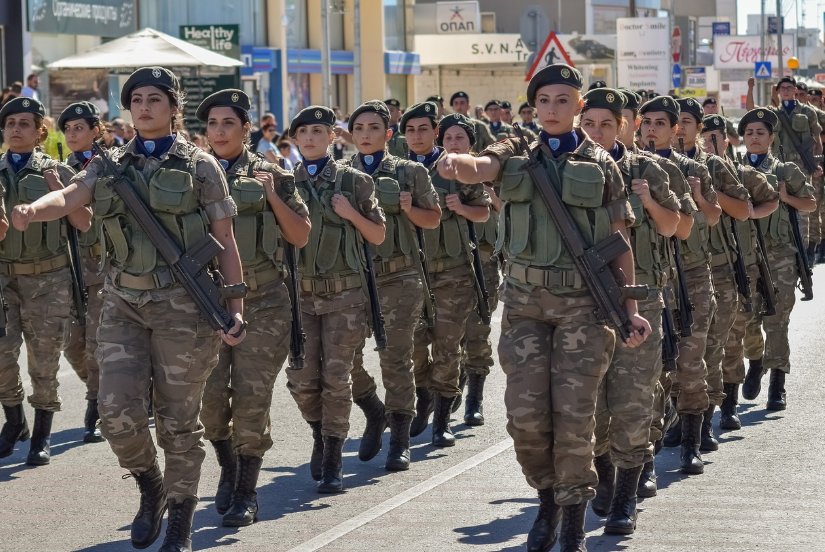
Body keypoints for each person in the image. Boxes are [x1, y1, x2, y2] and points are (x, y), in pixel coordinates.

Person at [11, 67, 247, 552]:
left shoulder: (202, 167)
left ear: (174, 107)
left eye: (155, 98)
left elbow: (224, 241)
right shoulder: (109, 163)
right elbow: (73, 195)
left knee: (179, 421)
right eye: (136, 98)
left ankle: (180, 516)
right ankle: (149, 485)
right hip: (123, 302)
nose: (144, 106)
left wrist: (234, 307)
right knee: (116, 412)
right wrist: (35, 210)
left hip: (184, 307)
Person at [438, 64, 649, 552]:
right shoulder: (512, 152)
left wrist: (630, 305)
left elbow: (618, 241)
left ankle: (572, 518)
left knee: (575, 416)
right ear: (533, 108)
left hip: (584, 306)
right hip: (524, 305)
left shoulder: (603, 165)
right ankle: (547, 499)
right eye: (544, 101)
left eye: (563, 100)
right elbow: (481, 168)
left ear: (579, 106)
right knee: (526, 418)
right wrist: (457, 162)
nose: (552, 109)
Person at [197, 89, 310, 526]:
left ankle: (246, 489)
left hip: (263, 301)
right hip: (206, 302)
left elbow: (299, 235)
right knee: (208, 402)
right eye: (212, 124)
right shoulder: (191, 175)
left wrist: (275, 196)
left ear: (247, 129)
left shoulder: (272, 173)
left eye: (229, 123)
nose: (219, 131)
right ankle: (227, 463)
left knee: (250, 399)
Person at [580, 88, 681, 535]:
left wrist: (650, 200)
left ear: (625, 125)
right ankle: (603, 470)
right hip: (582, 302)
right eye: (590, 124)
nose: (598, 133)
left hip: (641, 298)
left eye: (608, 124)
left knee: (633, 403)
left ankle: (625, 496)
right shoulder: (566, 170)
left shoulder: (646, 168)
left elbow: (675, 225)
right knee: (590, 408)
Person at [284, 105, 385, 494]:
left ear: (332, 137)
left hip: (345, 296)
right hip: (299, 297)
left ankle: (332, 457)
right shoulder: (283, 181)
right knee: (301, 380)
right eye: (303, 132)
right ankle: (320, 432)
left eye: (318, 131)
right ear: (294, 139)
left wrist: (350, 214)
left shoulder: (354, 182)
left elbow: (377, 235)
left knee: (335, 378)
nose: (310, 138)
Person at [346, 100, 441, 470]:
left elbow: (432, 219)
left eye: (373, 129)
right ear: (351, 135)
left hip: (399, 276)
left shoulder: (409, 172)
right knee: (344, 358)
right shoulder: (339, 173)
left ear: (387, 135)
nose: (365, 135)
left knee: (395, 357)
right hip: (354, 276)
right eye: (359, 129)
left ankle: (400, 439)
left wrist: (407, 209)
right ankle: (373, 408)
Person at [0, 97, 88, 466]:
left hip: (49, 280)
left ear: (40, 132)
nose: (15, 129)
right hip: (5, 278)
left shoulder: (56, 171)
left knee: (44, 360)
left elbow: (85, 222)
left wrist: (60, 191)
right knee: (2, 357)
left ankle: (41, 433)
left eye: (24, 123)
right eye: (10, 123)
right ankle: (15, 419)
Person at [616, 88, 694, 498]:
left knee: (642, 385)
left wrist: (647, 200)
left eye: (651, 122)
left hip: (648, 287)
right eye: (643, 121)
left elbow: (680, 228)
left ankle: (641, 462)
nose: (645, 129)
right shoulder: (582, 167)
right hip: (595, 292)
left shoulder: (657, 171)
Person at [640, 95, 723, 476]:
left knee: (690, 363)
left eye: (660, 123)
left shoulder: (692, 168)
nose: (652, 129)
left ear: (676, 129)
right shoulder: (632, 169)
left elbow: (712, 217)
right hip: (654, 279)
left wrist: (695, 194)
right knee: (652, 371)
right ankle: (647, 453)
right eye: (647, 123)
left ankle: (691, 441)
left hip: (690, 275)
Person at [403, 103, 490, 449]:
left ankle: (441, 420)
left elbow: (483, 212)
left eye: (423, 129)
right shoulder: (397, 170)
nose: (417, 135)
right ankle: (423, 395)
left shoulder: (452, 168)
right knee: (412, 347)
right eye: (410, 130)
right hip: (408, 273)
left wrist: (461, 208)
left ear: (434, 133)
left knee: (448, 347)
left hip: (451, 272)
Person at [673, 97, 750, 456]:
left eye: (689, 120)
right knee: (674, 352)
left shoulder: (713, 165)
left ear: (698, 127)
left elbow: (743, 209)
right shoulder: (657, 165)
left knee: (710, 349)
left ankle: (706, 419)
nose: (683, 127)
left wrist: (705, 193)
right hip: (671, 270)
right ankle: (676, 418)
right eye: (680, 120)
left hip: (714, 267)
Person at [702, 113, 779, 431]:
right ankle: (703, 406)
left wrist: (747, 214)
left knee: (738, 333)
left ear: (728, 140)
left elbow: (771, 200)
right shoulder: (687, 173)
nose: (712, 143)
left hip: (741, 265)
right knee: (707, 339)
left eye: (717, 137)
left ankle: (733, 396)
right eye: (706, 138)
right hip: (702, 266)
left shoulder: (742, 174)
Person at [737, 108, 817, 411]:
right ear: (743, 138)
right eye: (749, 133)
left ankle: (778, 383)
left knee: (777, 321)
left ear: (771, 137)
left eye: (760, 132)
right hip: (745, 257)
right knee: (746, 320)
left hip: (780, 255)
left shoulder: (785, 171)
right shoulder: (731, 169)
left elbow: (809, 203)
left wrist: (786, 198)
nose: (754, 137)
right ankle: (756, 362)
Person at [57, 101, 108, 444]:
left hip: (107, 267)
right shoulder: (59, 171)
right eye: (68, 129)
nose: (73, 134)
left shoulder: (112, 166)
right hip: (72, 269)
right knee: (71, 343)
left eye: (80, 128)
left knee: (96, 344)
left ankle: (96, 405)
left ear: (95, 130)